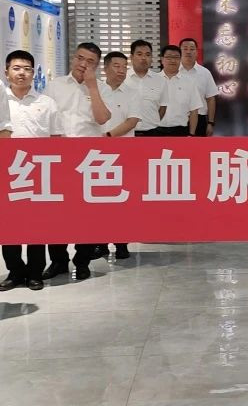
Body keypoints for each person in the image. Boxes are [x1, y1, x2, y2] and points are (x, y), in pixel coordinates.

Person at [44, 42, 112, 281]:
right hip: (58, 157)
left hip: (89, 159)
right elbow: (46, 119)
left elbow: (103, 119)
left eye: (90, 61)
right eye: (80, 58)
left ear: (97, 66)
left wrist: (92, 86)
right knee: (57, 213)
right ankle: (58, 261)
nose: (83, 64)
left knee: (87, 214)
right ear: (73, 58)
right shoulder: (55, 86)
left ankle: (82, 261)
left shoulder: (102, 87)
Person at [0, 50, 63, 291]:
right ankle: (15, 272)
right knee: (9, 226)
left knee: (37, 226)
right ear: (6, 72)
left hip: (39, 173)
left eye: (27, 69)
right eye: (16, 68)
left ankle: (35, 273)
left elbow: (56, 139)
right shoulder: (1, 101)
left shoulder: (46, 103)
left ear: (34, 73)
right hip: (8, 173)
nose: (22, 73)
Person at [92, 51, 142, 261]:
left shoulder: (132, 93)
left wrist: (109, 136)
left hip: (123, 154)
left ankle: (122, 243)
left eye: (124, 67)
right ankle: (101, 243)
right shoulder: (96, 91)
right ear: (105, 68)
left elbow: (132, 121)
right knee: (99, 200)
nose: (121, 70)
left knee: (121, 201)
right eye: (116, 66)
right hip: (97, 155)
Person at [127, 39, 168, 136]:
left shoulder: (160, 80)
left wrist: (152, 122)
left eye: (148, 55)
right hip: (127, 132)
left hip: (153, 133)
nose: (144, 58)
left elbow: (163, 107)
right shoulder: (123, 79)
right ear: (131, 57)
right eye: (139, 54)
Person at [158, 45, 201, 136]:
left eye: (176, 57)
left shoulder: (189, 82)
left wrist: (191, 134)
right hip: (156, 131)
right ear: (162, 59)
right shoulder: (152, 81)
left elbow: (194, 111)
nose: (173, 61)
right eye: (169, 57)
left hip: (180, 131)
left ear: (180, 59)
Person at [179, 38, 218, 136]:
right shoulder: (173, 72)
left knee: (198, 146)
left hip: (200, 119)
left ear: (196, 52)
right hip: (177, 119)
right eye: (185, 48)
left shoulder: (205, 73)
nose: (188, 51)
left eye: (192, 49)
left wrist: (210, 123)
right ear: (179, 51)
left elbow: (211, 99)